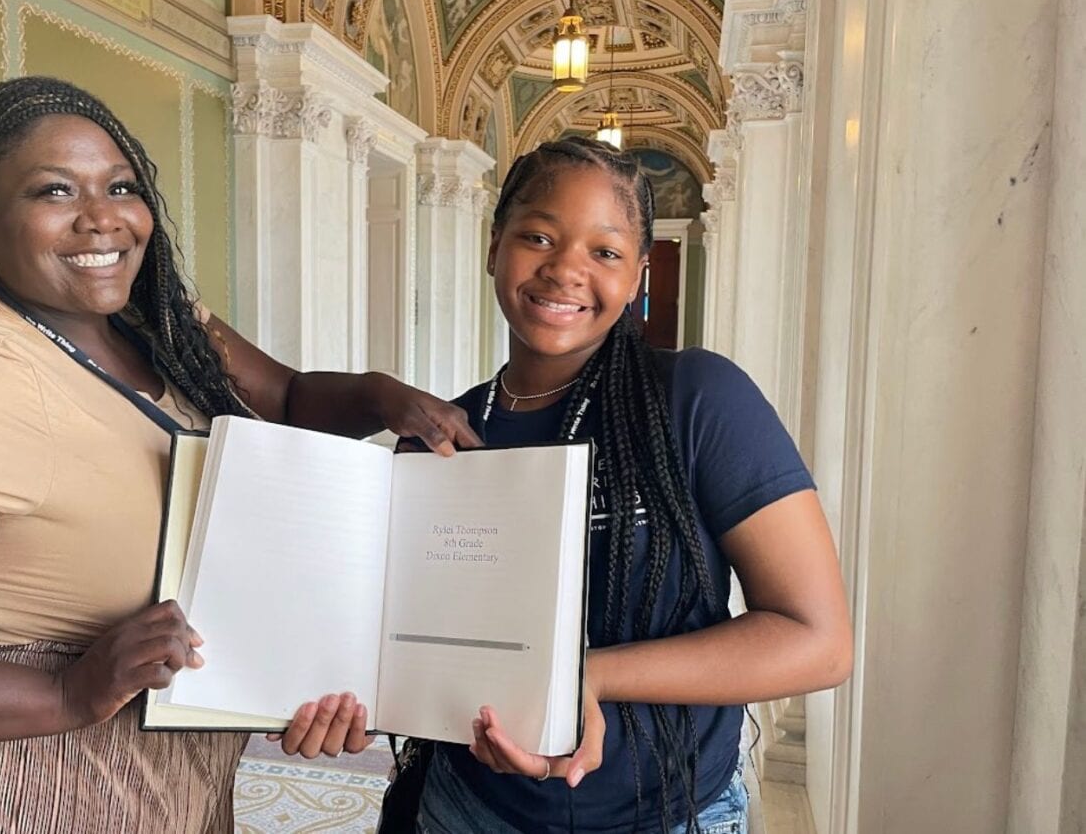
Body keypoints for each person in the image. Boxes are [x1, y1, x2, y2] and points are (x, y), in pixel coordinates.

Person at [0, 76, 479, 833]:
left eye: (120, 186)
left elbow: (283, 400)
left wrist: (383, 397)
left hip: (144, 782)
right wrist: (62, 693)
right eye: (55, 191)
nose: (102, 218)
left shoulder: (162, 327)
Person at [365, 137, 853, 833]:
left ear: (637, 275)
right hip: (466, 810)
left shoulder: (696, 399)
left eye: (605, 251)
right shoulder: (443, 436)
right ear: (493, 244)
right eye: (538, 235)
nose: (565, 269)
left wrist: (588, 674)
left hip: (671, 813)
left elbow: (819, 640)